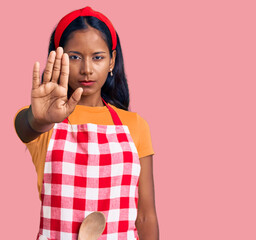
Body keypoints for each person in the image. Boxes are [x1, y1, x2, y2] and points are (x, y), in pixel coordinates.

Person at [14, 6, 159, 240]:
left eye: (98, 57)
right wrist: (39, 120)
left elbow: (145, 216)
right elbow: (26, 126)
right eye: (75, 57)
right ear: (58, 58)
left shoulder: (136, 126)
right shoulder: (45, 121)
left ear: (112, 61)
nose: (87, 69)